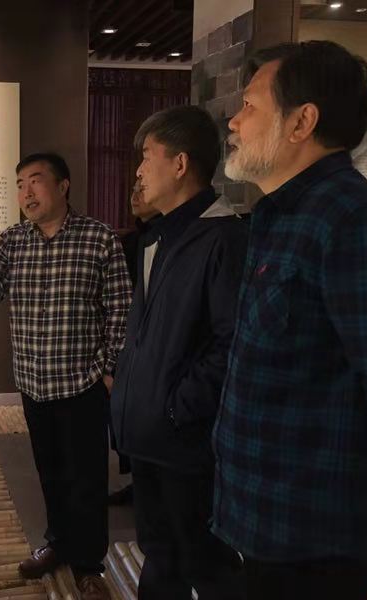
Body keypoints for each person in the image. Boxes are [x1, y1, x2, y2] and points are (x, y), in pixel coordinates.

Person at [212, 41, 367, 600]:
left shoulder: (354, 223)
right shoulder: (280, 214)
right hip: (266, 518)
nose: (234, 121)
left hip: (317, 535)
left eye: (250, 105)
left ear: (302, 121)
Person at [0, 152, 131, 600]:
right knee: (50, 472)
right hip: (33, 383)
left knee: (86, 478)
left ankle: (88, 565)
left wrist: (109, 372)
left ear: (63, 186)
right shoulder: (13, 240)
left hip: (82, 384)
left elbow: (121, 311)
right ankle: (58, 543)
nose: (26, 192)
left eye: (35, 181)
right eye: (19, 184)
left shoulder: (99, 239)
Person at [110, 105, 247, 600]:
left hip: (185, 440)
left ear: (181, 163)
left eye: (148, 156)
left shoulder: (224, 236)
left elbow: (231, 343)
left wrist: (176, 406)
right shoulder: (161, 234)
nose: (139, 171)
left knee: (203, 561)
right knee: (160, 552)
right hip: (152, 435)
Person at [108, 182, 159, 507]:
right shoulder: (129, 241)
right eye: (133, 189)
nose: (135, 195)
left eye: (143, 188)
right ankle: (138, 482)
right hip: (127, 343)